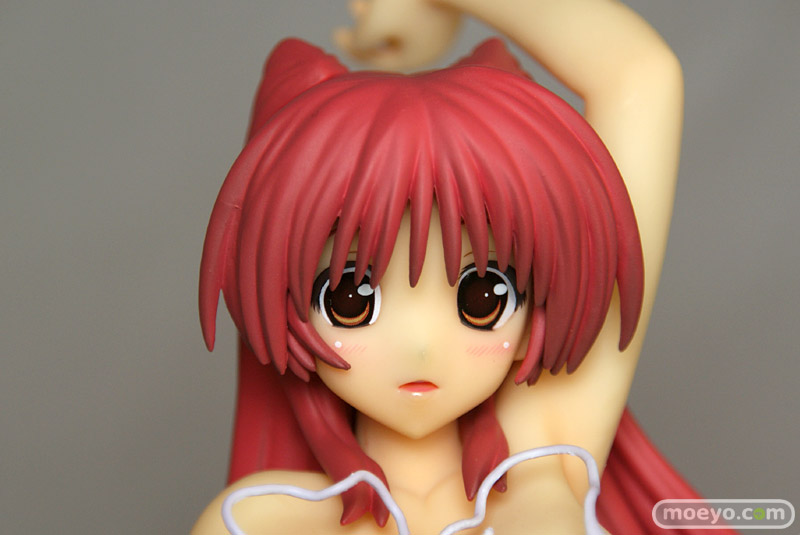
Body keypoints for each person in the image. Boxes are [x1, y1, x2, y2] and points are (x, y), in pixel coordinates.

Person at [193, 1, 732, 533]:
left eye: (483, 298)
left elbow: (640, 75)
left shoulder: (541, 453)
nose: (420, 346)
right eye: (349, 300)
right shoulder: (263, 521)